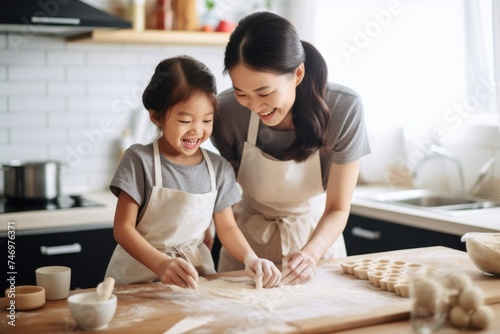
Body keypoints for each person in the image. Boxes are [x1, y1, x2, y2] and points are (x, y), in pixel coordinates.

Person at [211, 12, 371, 285]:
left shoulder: (343, 108)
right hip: (246, 250)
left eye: (264, 93)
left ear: (297, 73)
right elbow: (221, 195)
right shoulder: (227, 111)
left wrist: (311, 253)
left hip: (317, 245)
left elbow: (337, 208)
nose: (255, 105)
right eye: (241, 93)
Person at [104, 55, 281, 289]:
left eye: (207, 120)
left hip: (193, 279)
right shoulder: (139, 160)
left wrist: (251, 257)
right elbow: (123, 229)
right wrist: (162, 264)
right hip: (136, 279)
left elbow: (227, 227)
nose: (197, 130)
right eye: (185, 120)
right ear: (157, 116)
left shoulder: (218, 168)